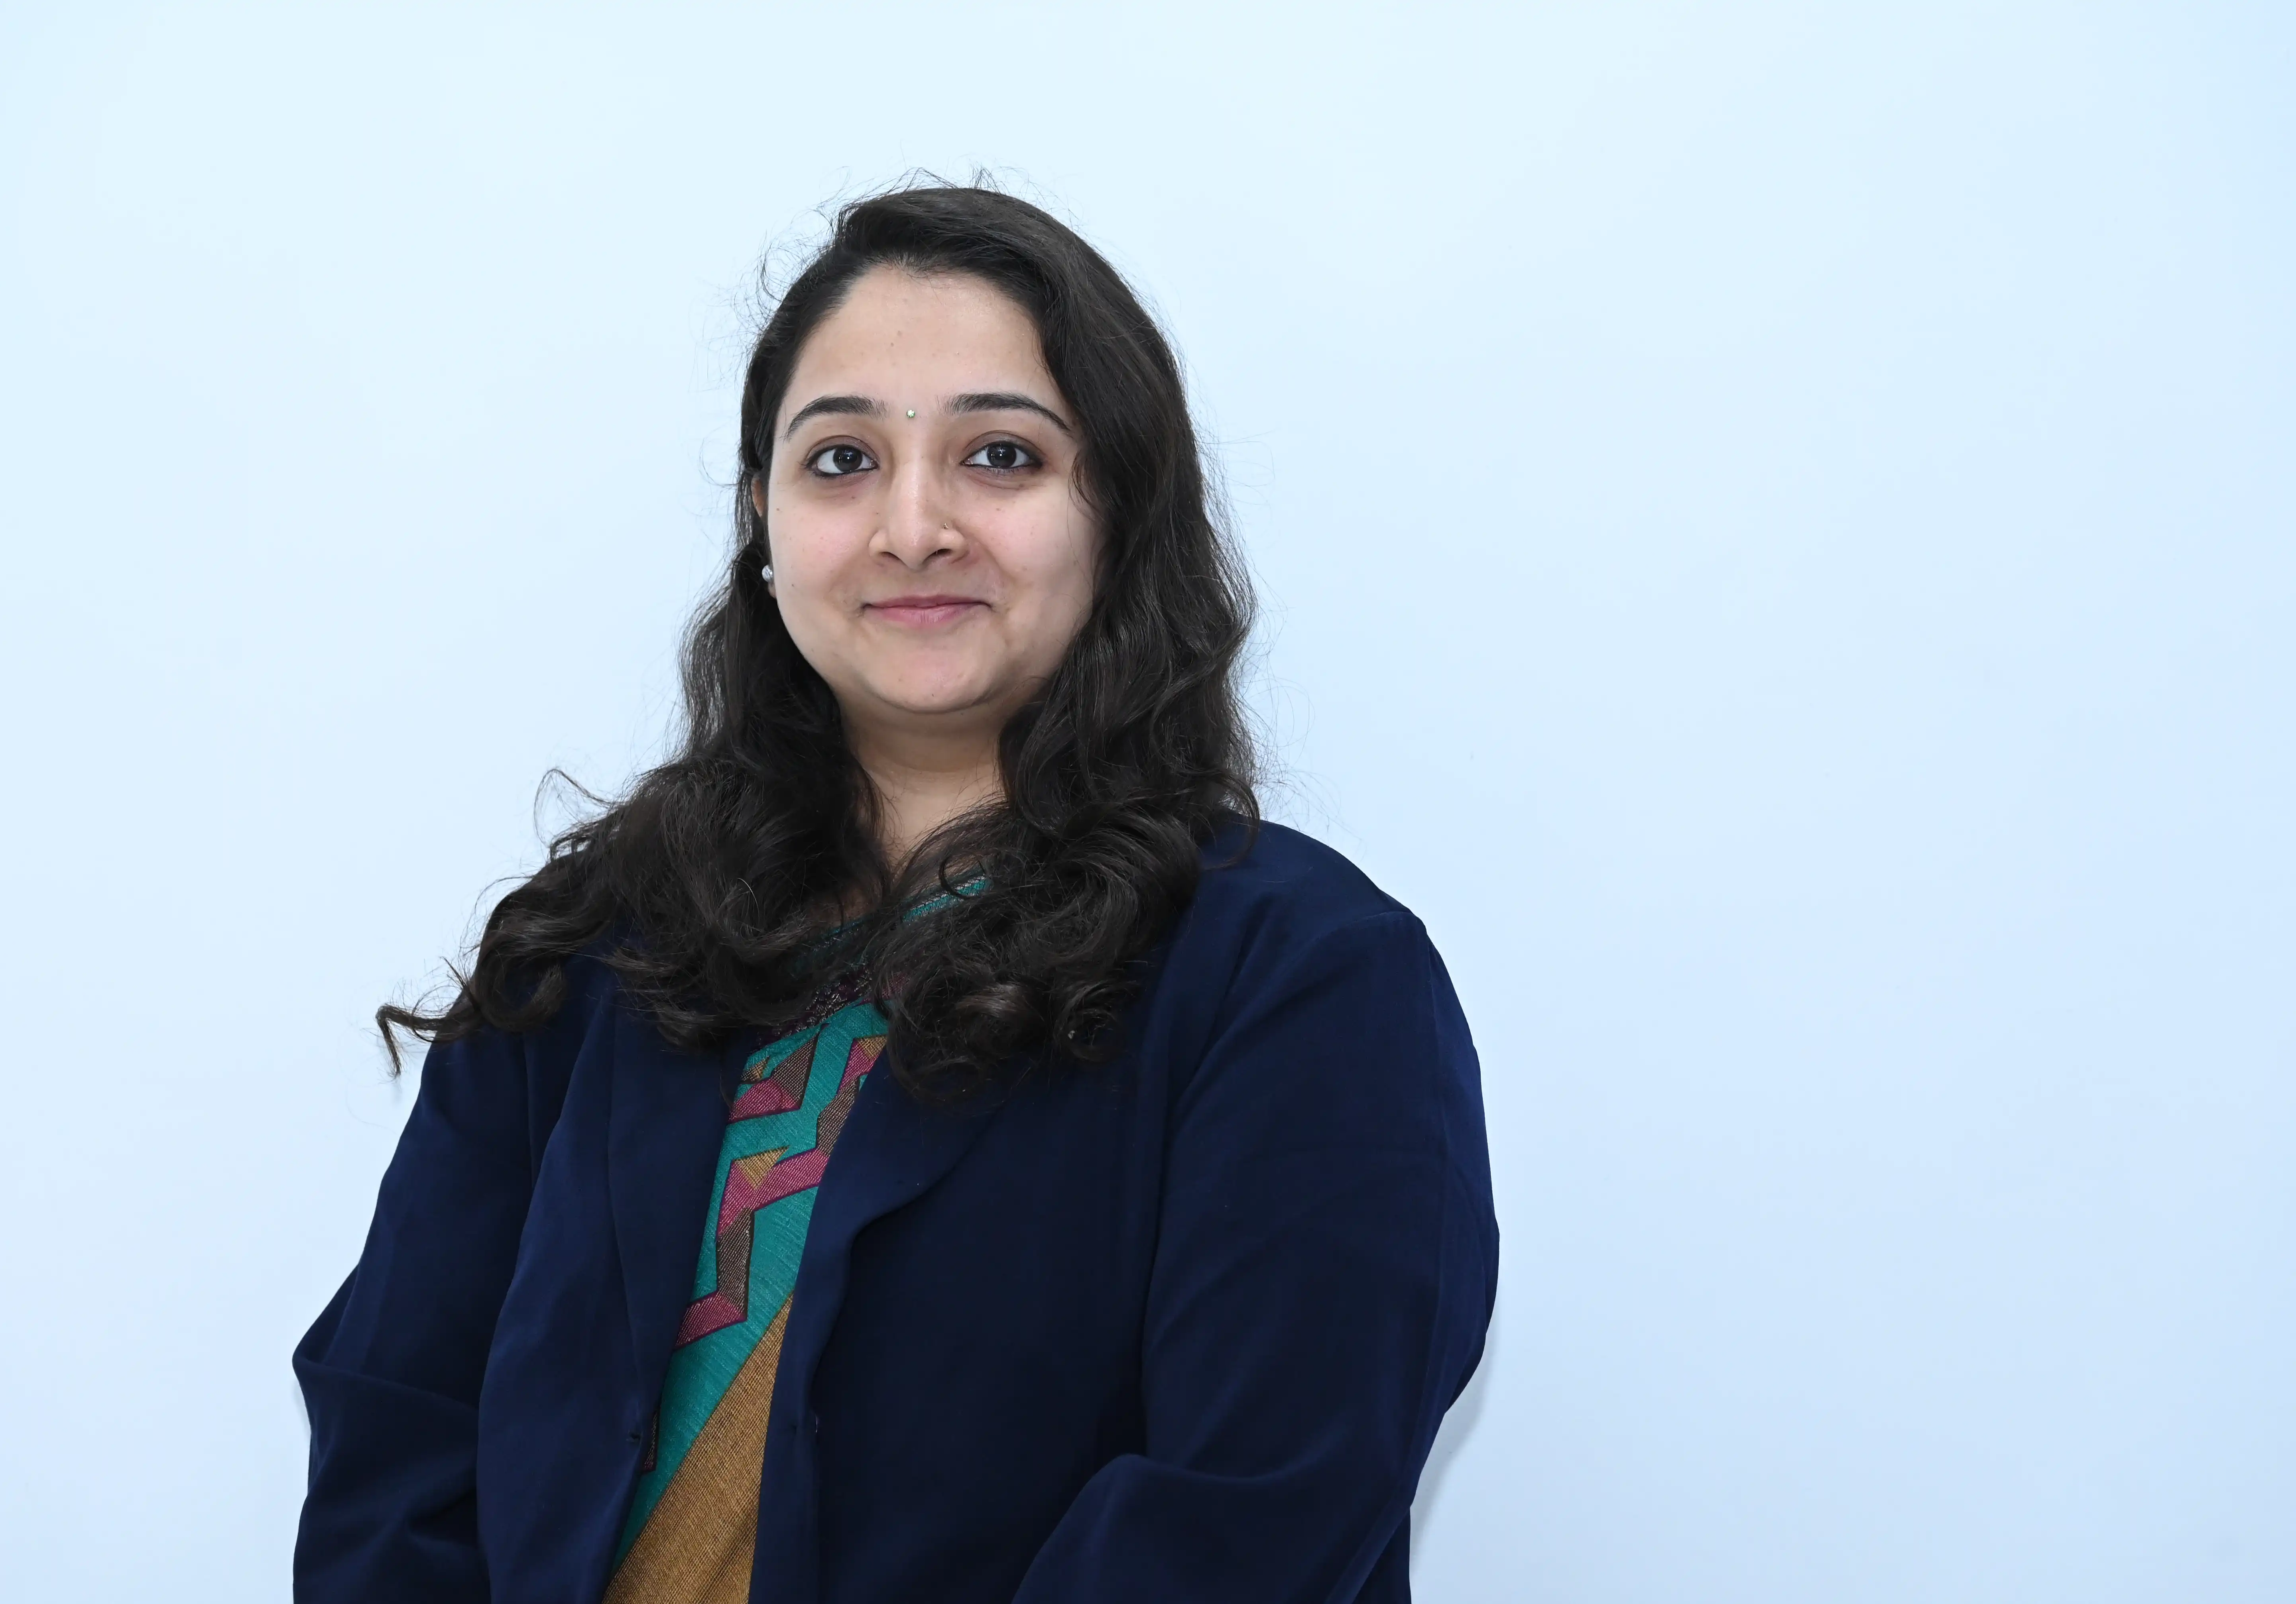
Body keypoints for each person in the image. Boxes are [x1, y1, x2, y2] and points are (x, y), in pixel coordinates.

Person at [293, 183, 1497, 1604]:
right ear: (761, 518)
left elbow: (1250, 1520)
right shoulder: (599, 945)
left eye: (1001, 455)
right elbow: (394, 1440)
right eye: (843, 459)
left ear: (1118, 506)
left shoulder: (1300, 979)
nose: (913, 526)